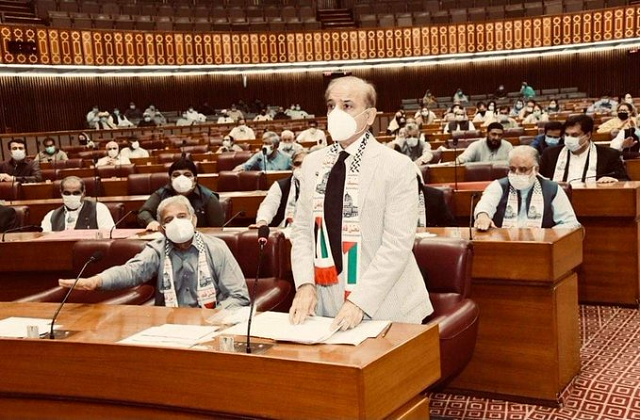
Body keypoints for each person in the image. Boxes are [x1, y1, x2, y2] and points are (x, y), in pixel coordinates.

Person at [289, 76, 433, 331]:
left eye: (347, 106)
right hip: (326, 307)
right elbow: (301, 231)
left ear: (369, 116)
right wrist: (304, 284)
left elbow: (397, 245)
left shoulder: (397, 166)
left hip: (389, 307)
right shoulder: (313, 163)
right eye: (331, 106)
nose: (336, 114)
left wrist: (360, 301)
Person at [59, 196, 249, 309]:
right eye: (169, 219)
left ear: (194, 221)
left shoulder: (216, 248)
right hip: (168, 326)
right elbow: (132, 271)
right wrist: (97, 281)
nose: (176, 222)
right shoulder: (158, 249)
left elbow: (239, 297)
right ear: (162, 229)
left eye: (182, 217)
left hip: (212, 322)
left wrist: (212, 318)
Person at [474, 146, 580, 230]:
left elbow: (570, 223)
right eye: (512, 169)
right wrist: (483, 216)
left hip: (541, 248)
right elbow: (485, 206)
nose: (516, 173)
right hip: (503, 246)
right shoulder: (498, 186)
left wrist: (546, 235)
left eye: (523, 169)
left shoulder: (552, 189)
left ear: (536, 169)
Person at [137, 158, 225, 231]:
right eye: (176, 175)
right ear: (170, 179)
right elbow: (143, 212)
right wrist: (151, 222)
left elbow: (217, 229)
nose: (181, 178)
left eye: (187, 175)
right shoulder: (162, 193)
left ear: (194, 180)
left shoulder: (208, 197)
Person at [539, 114, 629, 184]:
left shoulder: (609, 155)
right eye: (566, 135)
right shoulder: (550, 154)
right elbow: (538, 180)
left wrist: (612, 180)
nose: (569, 138)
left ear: (588, 135)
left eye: (574, 135)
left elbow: (624, 181)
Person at [253, 151, 307, 228]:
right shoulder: (280, 185)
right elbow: (269, 205)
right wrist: (262, 222)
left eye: (305, 164)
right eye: (297, 164)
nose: (301, 167)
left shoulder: (319, 185)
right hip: (283, 229)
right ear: (292, 166)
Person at [41, 176, 115, 232]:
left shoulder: (99, 209)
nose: (71, 196)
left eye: (76, 193)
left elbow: (108, 237)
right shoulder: (51, 216)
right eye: (67, 193)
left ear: (83, 193)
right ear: (61, 194)